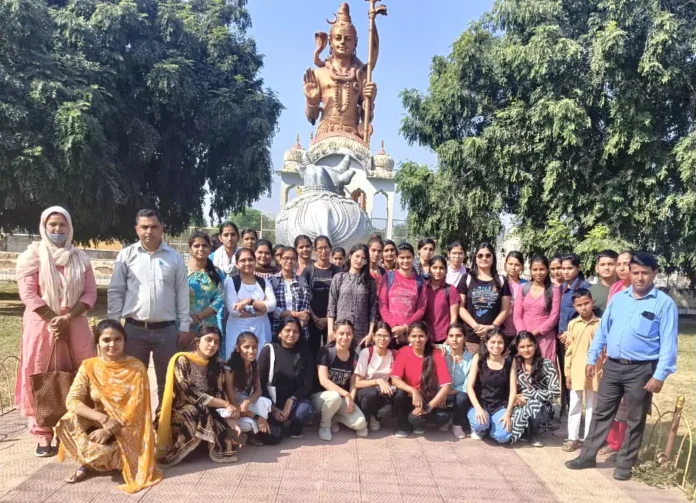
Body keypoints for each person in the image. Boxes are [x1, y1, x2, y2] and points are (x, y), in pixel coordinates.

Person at [567, 253, 679, 481]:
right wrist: (592, 357)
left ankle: (625, 464)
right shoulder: (619, 298)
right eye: (635, 272)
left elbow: (669, 343)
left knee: (635, 418)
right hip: (613, 366)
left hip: (641, 370)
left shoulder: (664, 304)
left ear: (654, 274)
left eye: (644, 273)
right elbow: (603, 330)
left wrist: (660, 375)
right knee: (601, 413)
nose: (639, 277)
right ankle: (587, 456)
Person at [15, 206, 97, 456]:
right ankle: (43, 434)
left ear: (69, 227)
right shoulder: (31, 257)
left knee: (78, 373)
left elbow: (90, 292)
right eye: (53, 225)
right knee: (41, 374)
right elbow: (28, 293)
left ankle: (71, 428)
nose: (57, 229)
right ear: (44, 226)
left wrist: (67, 318)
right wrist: (54, 319)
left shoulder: (80, 258)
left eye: (62, 225)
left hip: (75, 322)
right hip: (42, 324)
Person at [56, 320, 162, 492]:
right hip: (101, 421)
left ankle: (111, 460)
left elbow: (137, 411)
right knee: (67, 420)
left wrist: (109, 430)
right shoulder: (89, 366)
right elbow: (72, 401)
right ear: (98, 342)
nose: (112, 344)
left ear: (124, 341)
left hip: (129, 428)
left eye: (117, 339)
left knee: (119, 453)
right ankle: (92, 461)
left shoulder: (136, 368)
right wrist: (103, 419)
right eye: (106, 340)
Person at [107, 209, 190, 405]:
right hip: (134, 330)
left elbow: (182, 294)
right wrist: (113, 324)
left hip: (167, 332)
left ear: (162, 229)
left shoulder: (175, 258)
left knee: (168, 383)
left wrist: (184, 327)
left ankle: (163, 429)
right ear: (137, 229)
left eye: (154, 226)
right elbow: (116, 290)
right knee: (133, 382)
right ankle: (135, 431)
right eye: (144, 227)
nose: (149, 231)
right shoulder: (126, 256)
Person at [156, 325, 242, 466]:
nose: (212, 345)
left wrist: (229, 417)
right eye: (208, 340)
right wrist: (225, 404)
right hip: (182, 408)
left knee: (224, 432)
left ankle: (201, 444)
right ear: (197, 341)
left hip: (209, 407)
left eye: (216, 341)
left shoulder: (217, 365)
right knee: (197, 410)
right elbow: (190, 394)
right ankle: (176, 453)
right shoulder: (182, 360)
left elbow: (220, 391)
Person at [257, 317, 316, 442]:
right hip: (271, 401)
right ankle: (281, 426)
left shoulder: (304, 352)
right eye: (287, 330)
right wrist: (272, 408)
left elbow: (308, 384)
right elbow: (258, 381)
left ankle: (292, 424)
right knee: (272, 438)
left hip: (294, 402)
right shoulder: (270, 350)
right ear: (279, 333)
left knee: (304, 412)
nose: (291, 334)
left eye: (295, 332)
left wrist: (291, 400)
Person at [391, 322, 452, 437]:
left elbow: (446, 385)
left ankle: (420, 421)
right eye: (413, 336)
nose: (417, 340)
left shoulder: (436, 354)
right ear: (408, 337)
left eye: (421, 336)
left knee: (442, 418)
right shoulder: (403, 352)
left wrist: (428, 407)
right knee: (399, 395)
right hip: (410, 397)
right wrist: (413, 391)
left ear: (427, 337)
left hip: (428, 397)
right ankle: (403, 425)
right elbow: (395, 379)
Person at [311, 320, 368, 440]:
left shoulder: (354, 356)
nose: (345, 337)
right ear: (335, 333)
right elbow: (323, 380)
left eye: (348, 334)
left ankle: (335, 417)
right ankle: (325, 425)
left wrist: (351, 399)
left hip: (342, 398)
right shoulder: (325, 352)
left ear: (353, 335)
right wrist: (346, 394)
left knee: (360, 424)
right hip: (321, 398)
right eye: (341, 333)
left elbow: (353, 382)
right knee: (334, 397)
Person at [563, 288, 601, 452]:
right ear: (574, 306)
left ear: (592, 301)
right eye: (579, 305)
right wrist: (567, 372)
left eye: (586, 303)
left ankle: (588, 439)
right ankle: (573, 437)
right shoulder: (573, 324)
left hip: (595, 372)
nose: (584, 307)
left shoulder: (600, 324)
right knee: (575, 405)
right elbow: (569, 351)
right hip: (577, 370)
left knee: (592, 406)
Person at [458, 243, 512, 355]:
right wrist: (476, 326)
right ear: (475, 258)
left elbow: (505, 309)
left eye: (488, 255)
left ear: (493, 258)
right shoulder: (467, 278)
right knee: (472, 371)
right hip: (471, 337)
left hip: (495, 338)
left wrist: (491, 327)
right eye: (480, 255)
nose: (484, 258)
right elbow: (461, 307)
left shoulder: (501, 280)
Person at [223, 248, 276, 359]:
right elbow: (234, 310)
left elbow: (272, 305)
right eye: (243, 260)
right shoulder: (231, 282)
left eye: (250, 260)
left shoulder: (263, 282)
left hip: (261, 329)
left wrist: (248, 302)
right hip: (237, 330)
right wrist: (261, 308)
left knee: (260, 364)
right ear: (237, 264)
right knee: (236, 364)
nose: (247, 263)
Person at [510, 332, 560, 446]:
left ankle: (534, 435)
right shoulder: (515, 365)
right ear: (517, 348)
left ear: (535, 346)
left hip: (542, 409)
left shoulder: (546, 364)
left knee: (533, 404)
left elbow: (555, 392)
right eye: (522, 347)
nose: (526, 349)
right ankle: (523, 432)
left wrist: (529, 395)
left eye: (529, 346)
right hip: (519, 404)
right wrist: (517, 398)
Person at [466, 330, 517, 443]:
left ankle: (491, 428)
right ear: (486, 343)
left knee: (503, 437)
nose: (496, 346)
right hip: (481, 404)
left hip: (500, 406)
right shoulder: (479, 358)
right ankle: (481, 428)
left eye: (500, 342)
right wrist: (478, 408)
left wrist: (508, 413)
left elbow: (513, 390)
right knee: (480, 423)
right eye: (492, 342)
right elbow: (469, 386)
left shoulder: (510, 361)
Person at [378, 243, 428, 347]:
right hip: (389, 334)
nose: (405, 261)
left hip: (410, 335)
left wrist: (405, 328)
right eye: (402, 257)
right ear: (396, 258)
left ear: (414, 258)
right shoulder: (388, 277)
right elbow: (383, 306)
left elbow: (421, 309)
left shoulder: (420, 282)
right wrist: (394, 327)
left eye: (408, 257)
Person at [513, 254, 561, 362]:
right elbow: (517, 315)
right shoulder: (524, 288)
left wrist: (533, 333)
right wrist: (523, 334)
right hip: (524, 338)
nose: (538, 273)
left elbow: (554, 317)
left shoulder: (554, 290)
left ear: (547, 270)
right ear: (530, 270)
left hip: (544, 338)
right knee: (525, 369)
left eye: (542, 269)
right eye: (535, 269)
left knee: (544, 369)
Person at [327, 244, 377, 346]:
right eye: (357, 256)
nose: (359, 260)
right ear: (350, 256)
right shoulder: (339, 278)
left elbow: (373, 309)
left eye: (363, 258)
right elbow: (331, 306)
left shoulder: (370, 282)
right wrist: (330, 331)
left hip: (362, 333)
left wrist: (371, 333)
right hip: (341, 331)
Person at [223, 332, 272, 438]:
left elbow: (258, 391)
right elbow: (234, 404)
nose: (251, 351)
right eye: (246, 347)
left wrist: (247, 401)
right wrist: (257, 417)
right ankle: (250, 433)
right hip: (231, 408)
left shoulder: (253, 365)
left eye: (254, 347)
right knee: (248, 424)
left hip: (243, 404)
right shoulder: (230, 368)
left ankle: (257, 433)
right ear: (237, 348)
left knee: (264, 402)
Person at [304, 236, 343, 356]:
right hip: (313, 320)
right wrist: (315, 318)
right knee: (311, 352)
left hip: (332, 319)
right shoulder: (308, 270)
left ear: (331, 249)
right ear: (315, 251)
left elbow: (341, 297)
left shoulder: (338, 271)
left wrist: (328, 318)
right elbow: (304, 297)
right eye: (320, 248)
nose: (323, 251)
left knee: (331, 352)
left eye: (326, 247)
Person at [354, 322, 397, 431]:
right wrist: (378, 381)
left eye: (386, 336)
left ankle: (375, 417)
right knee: (370, 393)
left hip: (382, 393)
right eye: (379, 335)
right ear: (373, 336)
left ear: (390, 338)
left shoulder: (393, 354)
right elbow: (357, 383)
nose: (382, 339)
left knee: (387, 410)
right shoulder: (366, 353)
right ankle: (365, 418)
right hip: (365, 392)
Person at [440, 322, 473, 439]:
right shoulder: (443, 351)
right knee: (440, 420)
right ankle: (446, 419)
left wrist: (448, 392)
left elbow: (468, 383)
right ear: (447, 338)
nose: (454, 339)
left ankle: (457, 424)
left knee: (462, 396)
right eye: (451, 336)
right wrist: (436, 347)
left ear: (465, 338)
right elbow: (425, 344)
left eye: (458, 336)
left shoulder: (470, 358)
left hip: (459, 394)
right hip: (442, 394)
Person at [270, 246, 311, 341]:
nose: (289, 261)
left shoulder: (302, 281)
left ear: (296, 261)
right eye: (286, 258)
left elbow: (305, 310)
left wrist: (297, 331)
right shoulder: (272, 281)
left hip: (299, 332)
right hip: (278, 331)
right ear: (280, 260)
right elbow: (273, 310)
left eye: (293, 258)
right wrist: (296, 314)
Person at [187, 231, 224, 333]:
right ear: (190, 249)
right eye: (196, 246)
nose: (201, 249)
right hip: (183, 326)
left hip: (208, 327)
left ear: (210, 249)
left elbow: (220, 298)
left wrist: (198, 317)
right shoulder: (182, 271)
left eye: (204, 245)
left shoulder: (216, 273)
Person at [423, 256, 460, 343]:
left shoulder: (451, 290)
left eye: (441, 268)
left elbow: (454, 317)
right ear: (429, 269)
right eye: (434, 268)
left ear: (446, 271)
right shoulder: (423, 288)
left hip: (444, 338)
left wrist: (450, 337)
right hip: (424, 337)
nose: (438, 271)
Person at [503, 251, 526, 343]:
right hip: (502, 330)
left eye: (517, 264)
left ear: (522, 267)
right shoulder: (499, 282)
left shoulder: (526, 285)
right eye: (510, 264)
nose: (513, 267)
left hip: (520, 330)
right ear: (505, 265)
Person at [589, 250, 618, 316]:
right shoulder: (590, 292)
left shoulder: (626, 289)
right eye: (602, 265)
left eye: (610, 264)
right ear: (597, 268)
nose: (606, 268)